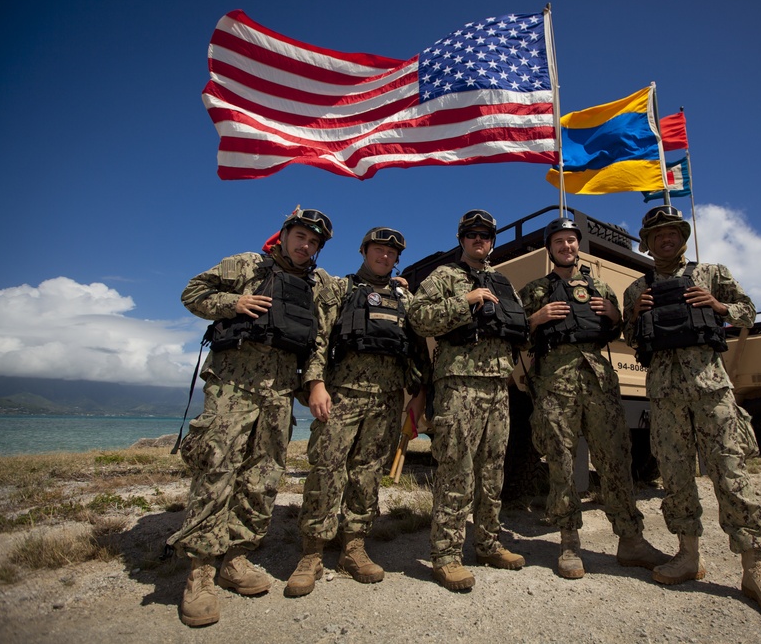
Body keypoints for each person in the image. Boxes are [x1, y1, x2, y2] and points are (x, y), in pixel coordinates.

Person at [623, 205, 761, 618]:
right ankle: (687, 555)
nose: (666, 239)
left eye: (673, 232)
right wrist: (635, 314)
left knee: (730, 473)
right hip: (664, 396)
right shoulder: (636, 289)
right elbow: (633, 338)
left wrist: (720, 308)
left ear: (683, 237)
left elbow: (748, 311)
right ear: (647, 243)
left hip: (710, 390)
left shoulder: (713, 274)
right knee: (676, 477)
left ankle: (755, 568)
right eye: (658, 234)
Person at [169, 207, 334, 627]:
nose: (306, 245)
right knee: (216, 471)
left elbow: (317, 341)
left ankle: (236, 558)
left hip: (279, 392)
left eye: (314, 242)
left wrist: (314, 382)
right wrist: (232, 302)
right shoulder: (246, 264)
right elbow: (192, 292)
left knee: (262, 477)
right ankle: (201, 573)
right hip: (232, 386)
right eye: (300, 236)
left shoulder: (314, 287)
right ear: (283, 235)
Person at [519, 217, 665, 579]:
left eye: (571, 241)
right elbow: (512, 335)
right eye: (559, 242)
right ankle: (568, 542)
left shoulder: (599, 286)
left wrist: (615, 315)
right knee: (561, 460)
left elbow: (620, 331)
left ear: (577, 245)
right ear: (550, 249)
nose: (566, 247)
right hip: (555, 377)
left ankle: (631, 540)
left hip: (598, 379)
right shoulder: (536, 289)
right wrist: (535, 318)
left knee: (615, 457)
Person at [285, 227, 429, 596]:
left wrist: (419, 394)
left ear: (398, 260)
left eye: (391, 253)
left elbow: (417, 351)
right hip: (342, 395)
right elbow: (319, 337)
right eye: (378, 250)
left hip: (386, 399)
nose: (384, 257)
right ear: (364, 251)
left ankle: (353, 545)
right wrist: (315, 383)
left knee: (367, 473)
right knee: (327, 469)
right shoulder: (340, 289)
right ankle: (312, 551)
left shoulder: (405, 299)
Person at [407, 209, 528, 591]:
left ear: (492, 241)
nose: (480, 240)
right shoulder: (444, 277)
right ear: (462, 240)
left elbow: (518, 325)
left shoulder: (502, 280)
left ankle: (489, 543)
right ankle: (446, 555)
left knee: (492, 470)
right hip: (458, 384)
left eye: (486, 235)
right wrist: (466, 301)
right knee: (455, 469)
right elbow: (418, 318)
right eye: (472, 235)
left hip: (497, 385)